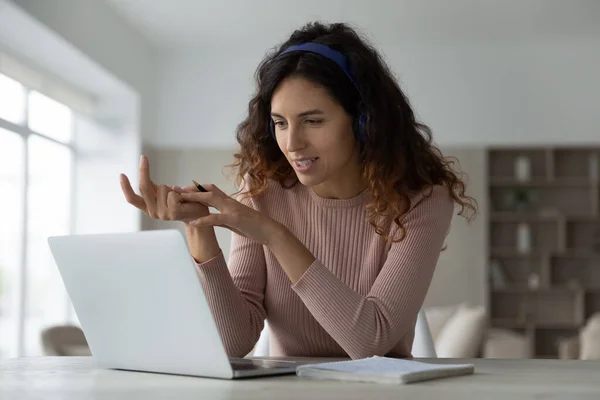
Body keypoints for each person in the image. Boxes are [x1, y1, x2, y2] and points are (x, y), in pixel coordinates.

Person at [120, 22, 477, 360]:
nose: (292, 143)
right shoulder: (263, 190)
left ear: (365, 122)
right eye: (280, 123)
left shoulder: (422, 199)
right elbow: (234, 342)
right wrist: (200, 228)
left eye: (312, 121)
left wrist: (275, 235)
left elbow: (371, 339)